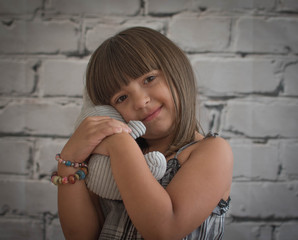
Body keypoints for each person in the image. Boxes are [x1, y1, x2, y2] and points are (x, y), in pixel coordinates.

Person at [55, 27, 233, 240]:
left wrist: (119, 144)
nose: (140, 102)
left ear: (176, 69)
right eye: (121, 98)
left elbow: (164, 229)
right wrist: (69, 159)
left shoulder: (211, 151)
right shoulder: (105, 164)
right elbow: (80, 236)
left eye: (149, 79)